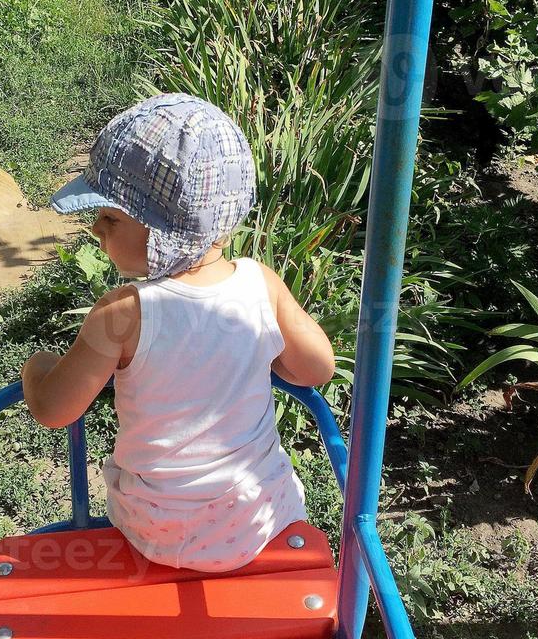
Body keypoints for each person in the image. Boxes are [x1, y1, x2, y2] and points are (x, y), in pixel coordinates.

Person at [21, 93, 335, 571]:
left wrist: (38, 367)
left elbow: (53, 410)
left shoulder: (122, 312)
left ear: (166, 232)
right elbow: (316, 368)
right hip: (259, 519)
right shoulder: (259, 284)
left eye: (109, 217)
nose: (95, 229)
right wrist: (266, 354)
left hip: (160, 530)